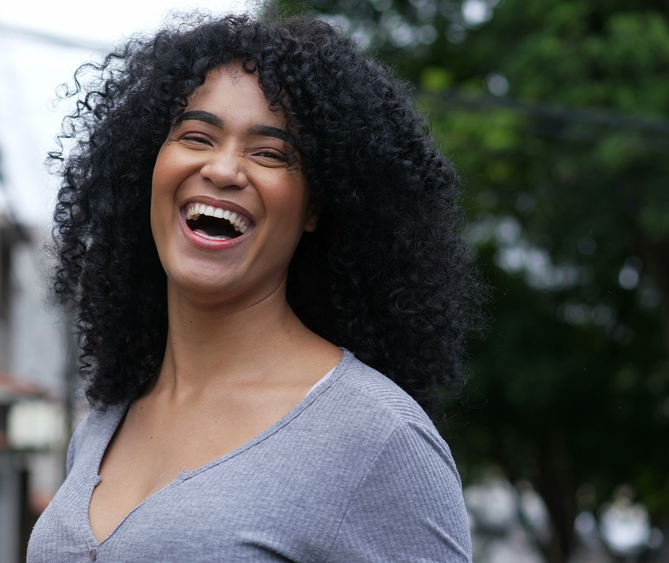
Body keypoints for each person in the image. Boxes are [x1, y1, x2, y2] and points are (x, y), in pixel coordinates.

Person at [27, 13, 483, 563]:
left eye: (269, 153)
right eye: (197, 136)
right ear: (146, 168)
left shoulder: (376, 437)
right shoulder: (103, 427)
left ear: (316, 205)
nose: (223, 169)